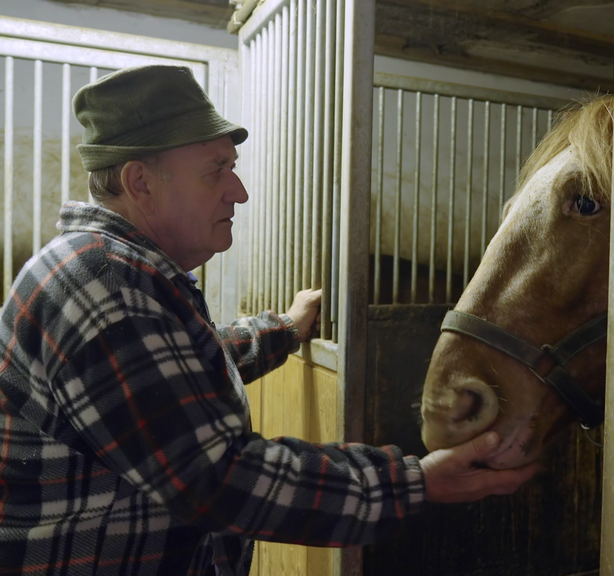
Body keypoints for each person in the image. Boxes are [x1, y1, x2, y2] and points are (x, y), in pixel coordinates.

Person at [0, 65, 537, 575]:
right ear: (141, 182)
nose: (239, 192)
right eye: (217, 172)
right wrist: (415, 483)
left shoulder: (108, 269)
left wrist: (282, 329)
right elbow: (215, 476)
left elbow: (173, 374)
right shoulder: (104, 285)